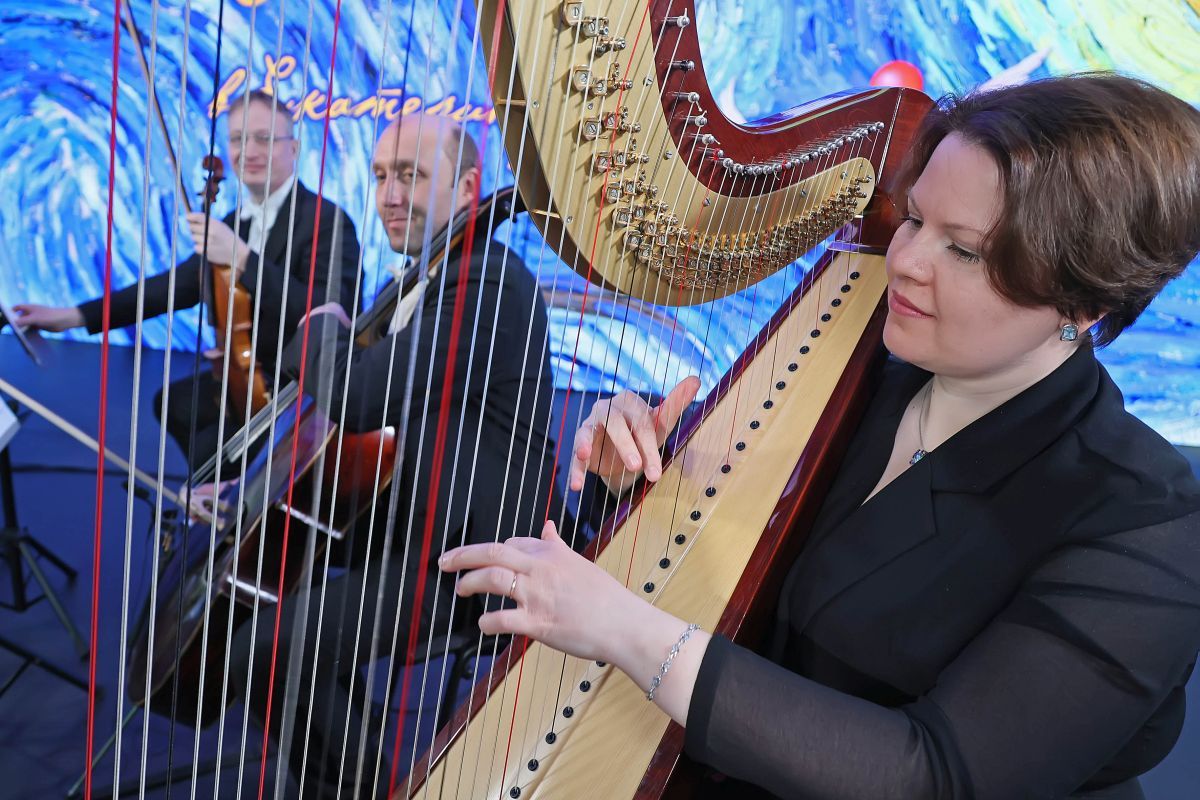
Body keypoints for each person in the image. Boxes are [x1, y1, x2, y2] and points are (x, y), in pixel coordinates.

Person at [439, 74, 1200, 799]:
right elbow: (732, 585)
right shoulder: (859, 375)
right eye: (914, 219)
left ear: (1083, 302)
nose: (904, 261)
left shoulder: (1141, 521)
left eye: (963, 251)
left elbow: (931, 777)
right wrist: (635, 478)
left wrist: (626, 628)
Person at [226, 117, 568, 798]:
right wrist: (247, 498)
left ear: (467, 188)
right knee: (262, 585)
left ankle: (361, 784)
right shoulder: (432, 276)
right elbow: (366, 434)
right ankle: (346, 750)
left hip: (474, 556)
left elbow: (358, 397)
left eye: (410, 175)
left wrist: (321, 319)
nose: (388, 195)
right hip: (416, 515)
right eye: (381, 175)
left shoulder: (487, 284)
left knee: (259, 651)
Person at [11, 90, 362, 469]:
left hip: (297, 387)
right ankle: (219, 495)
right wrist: (73, 316)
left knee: (214, 446)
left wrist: (243, 259)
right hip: (245, 376)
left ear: (293, 148)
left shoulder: (328, 221)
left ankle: (230, 498)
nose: (249, 151)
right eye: (238, 139)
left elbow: (329, 313)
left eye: (264, 138)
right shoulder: (234, 222)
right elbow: (175, 287)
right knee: (174, 404)